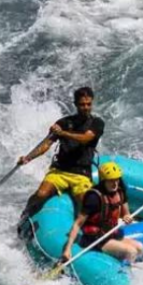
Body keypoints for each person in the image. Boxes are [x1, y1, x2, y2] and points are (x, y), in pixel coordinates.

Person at [18, 86, 105, 220]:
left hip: (81, 174)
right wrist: (28, 158)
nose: (86, 107)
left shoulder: (97, 123)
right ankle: (24, 217)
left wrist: (63, 133)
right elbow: (46, 144)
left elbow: (85, 138)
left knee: (86, 204)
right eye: (82, 104)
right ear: (75, 104)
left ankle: (89, 232)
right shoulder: (64, 123)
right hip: (60, 171)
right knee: (41, 194)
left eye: (89, 104)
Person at [61, 162, 143, 264]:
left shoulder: (120, 192)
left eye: (117, 180)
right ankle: (125, 271)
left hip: (111, 233)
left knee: (140, 248)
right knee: (131, 251)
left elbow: (126, 214)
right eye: (111, 181)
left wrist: (127, 217)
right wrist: (67, 248)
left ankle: (122, 262)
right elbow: (78, 223)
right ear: (103, 181)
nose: (115, 184)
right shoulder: (94, 198)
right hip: (96, 238)